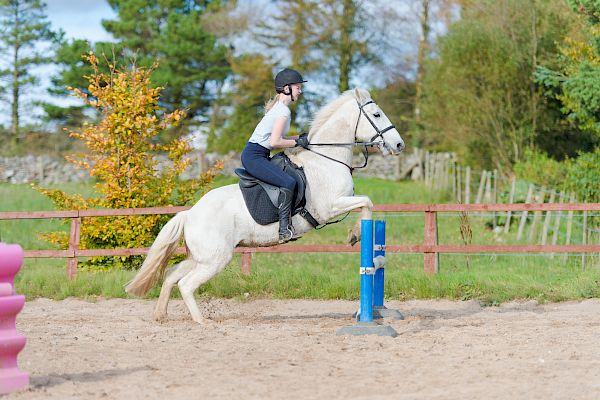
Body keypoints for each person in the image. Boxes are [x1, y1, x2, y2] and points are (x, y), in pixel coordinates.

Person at [240, 68, 310, 243]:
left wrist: (300, 138)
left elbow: (279, 138)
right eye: (297, 87)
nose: (300, 91)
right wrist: (296, 143)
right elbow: (275, 142)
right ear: (287, 88)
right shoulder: (283, 112)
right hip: (254, 156)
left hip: (259, 154)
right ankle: (284, 229)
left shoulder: (281, 109)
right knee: (288, 182)